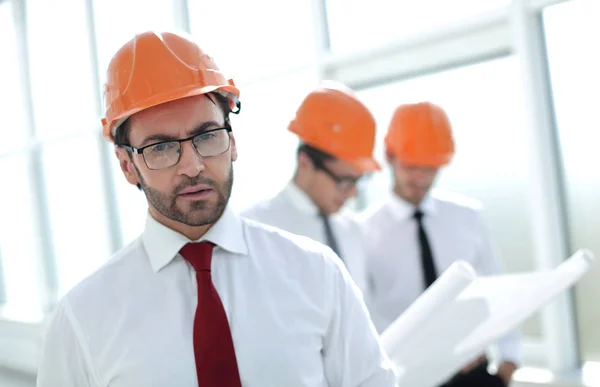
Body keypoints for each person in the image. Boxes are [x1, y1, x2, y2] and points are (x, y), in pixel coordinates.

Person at [36, 31, 396, 387]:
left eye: (207, 136)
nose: (192, 165)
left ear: (233, 141)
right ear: (128, 166)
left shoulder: (318, 273)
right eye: (161, 147)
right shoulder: (82, 319)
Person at [359, 102, 521, 387]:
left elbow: (498, 290)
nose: (420, 179)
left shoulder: (469, 217)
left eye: (430, 169)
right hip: (406, 375)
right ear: (389, 156)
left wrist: (509, 361)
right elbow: (365, 316)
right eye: (411, 167)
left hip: (473, 373)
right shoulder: (362, 232)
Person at [242, 82, 380, 293]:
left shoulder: (353, 230)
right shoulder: (256, 229)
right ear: (305, 162)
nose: (352, 193)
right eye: (344, 181)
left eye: (358, 181)